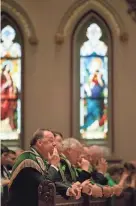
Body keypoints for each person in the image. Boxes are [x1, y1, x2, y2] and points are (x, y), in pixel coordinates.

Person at [7, 129, 80, 206]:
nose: (54, 144)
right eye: (51, 141)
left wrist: (68, 189)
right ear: (39, 142)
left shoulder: (40, 159)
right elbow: (45, 185)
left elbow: (50, 181)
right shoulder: (28, 159)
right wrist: (54, 166)